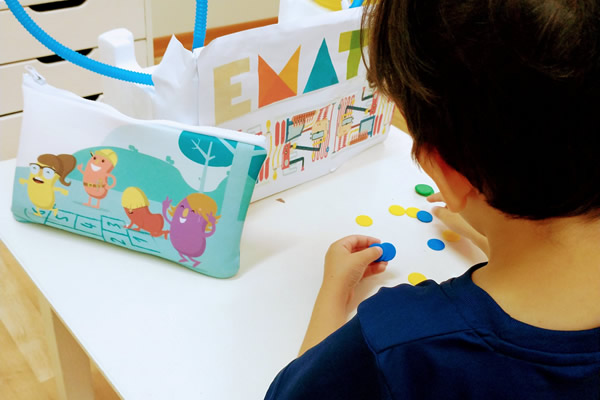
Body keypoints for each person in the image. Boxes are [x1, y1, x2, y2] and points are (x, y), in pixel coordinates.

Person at [265, 0, 600, 398]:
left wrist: (334, 289)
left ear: (446, 173)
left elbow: (295, 390)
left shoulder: (399, 343)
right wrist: (490, 236)